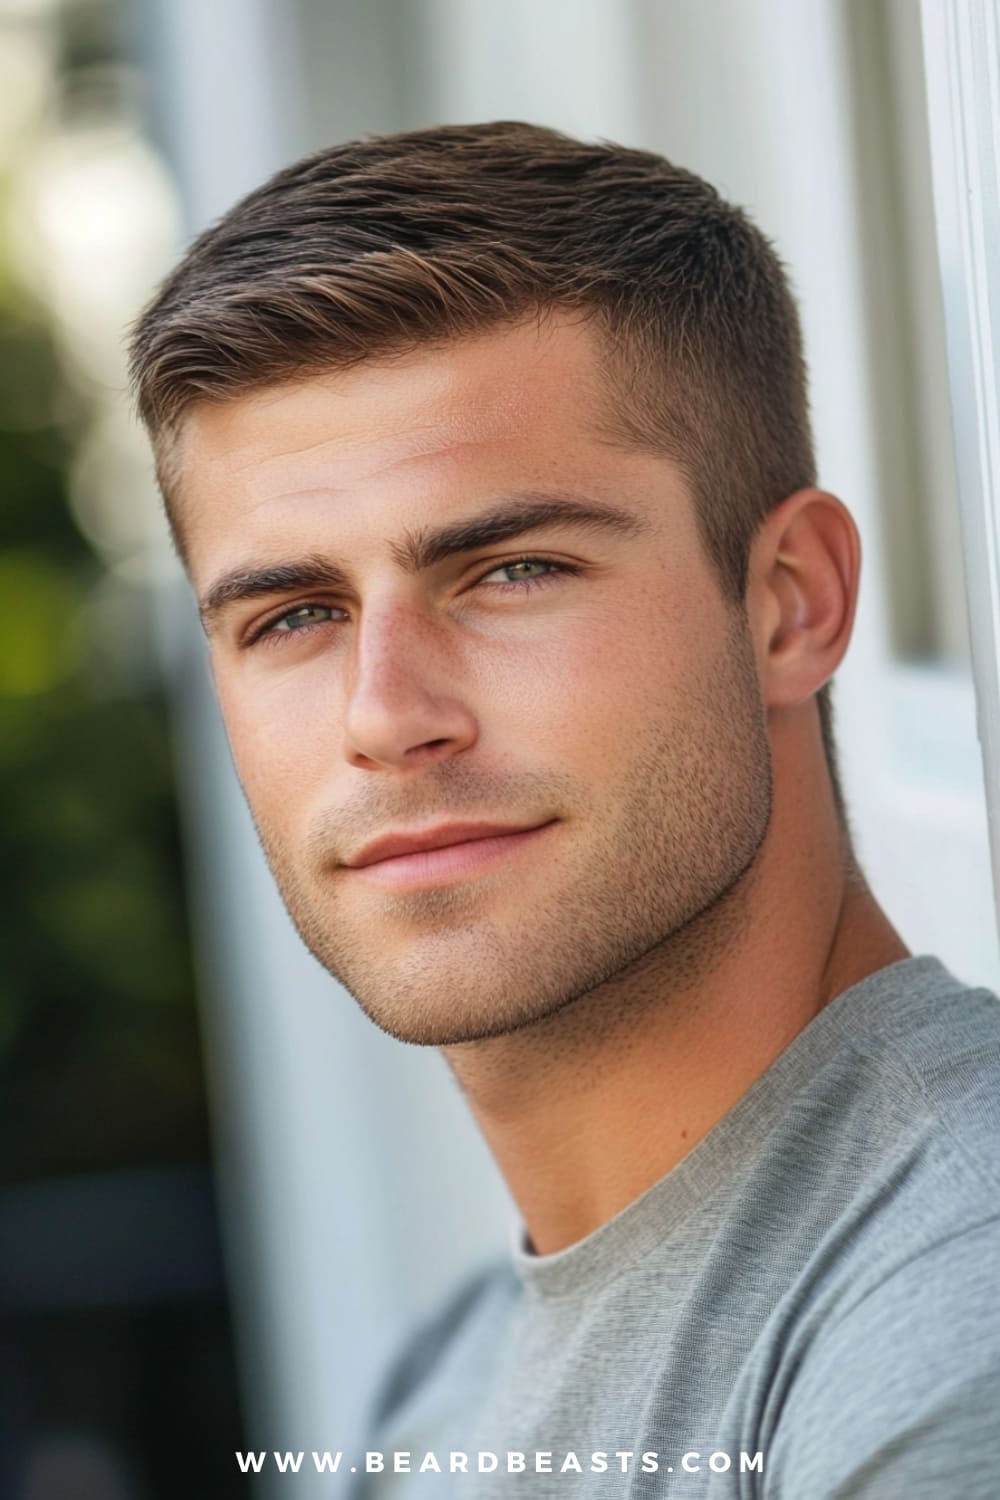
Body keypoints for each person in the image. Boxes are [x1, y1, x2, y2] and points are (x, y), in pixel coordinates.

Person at [127, 122, 999, 1496]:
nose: (386, 716)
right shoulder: (442, 1397)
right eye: (295, 614)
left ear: (791, 604)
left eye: (511, 571)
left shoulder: (951, 1321)